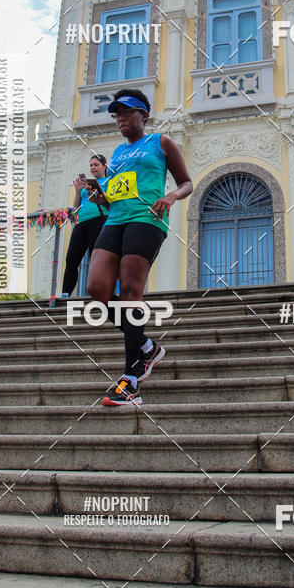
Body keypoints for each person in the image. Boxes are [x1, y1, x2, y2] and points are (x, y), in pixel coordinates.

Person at [86, 88, 193, 407]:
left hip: (148, 219)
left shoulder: (160, 142)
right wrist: (102, 196)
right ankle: (146, 345)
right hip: (115, 219)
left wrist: (171, 197)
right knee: (96, 288)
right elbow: (117, 190)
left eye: (126, 111)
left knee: (132, 291)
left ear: (143, 114)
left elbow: (186, 182)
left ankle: (131, 380)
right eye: (116, 113)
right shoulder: (117, 153)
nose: (120, 117)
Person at [61, 154, 109, 297]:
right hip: (82, 222)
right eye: (91, 165)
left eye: (96, 164)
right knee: (71, 259)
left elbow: (110, 200)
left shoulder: (108, 181)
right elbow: (76, 207)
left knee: (96, 257)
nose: (93, 167)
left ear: (104, 166)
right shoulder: (85, 186)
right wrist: (77, 191)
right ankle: (66, 293)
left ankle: (98, 291)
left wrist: (98, 191)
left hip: (99, 219)